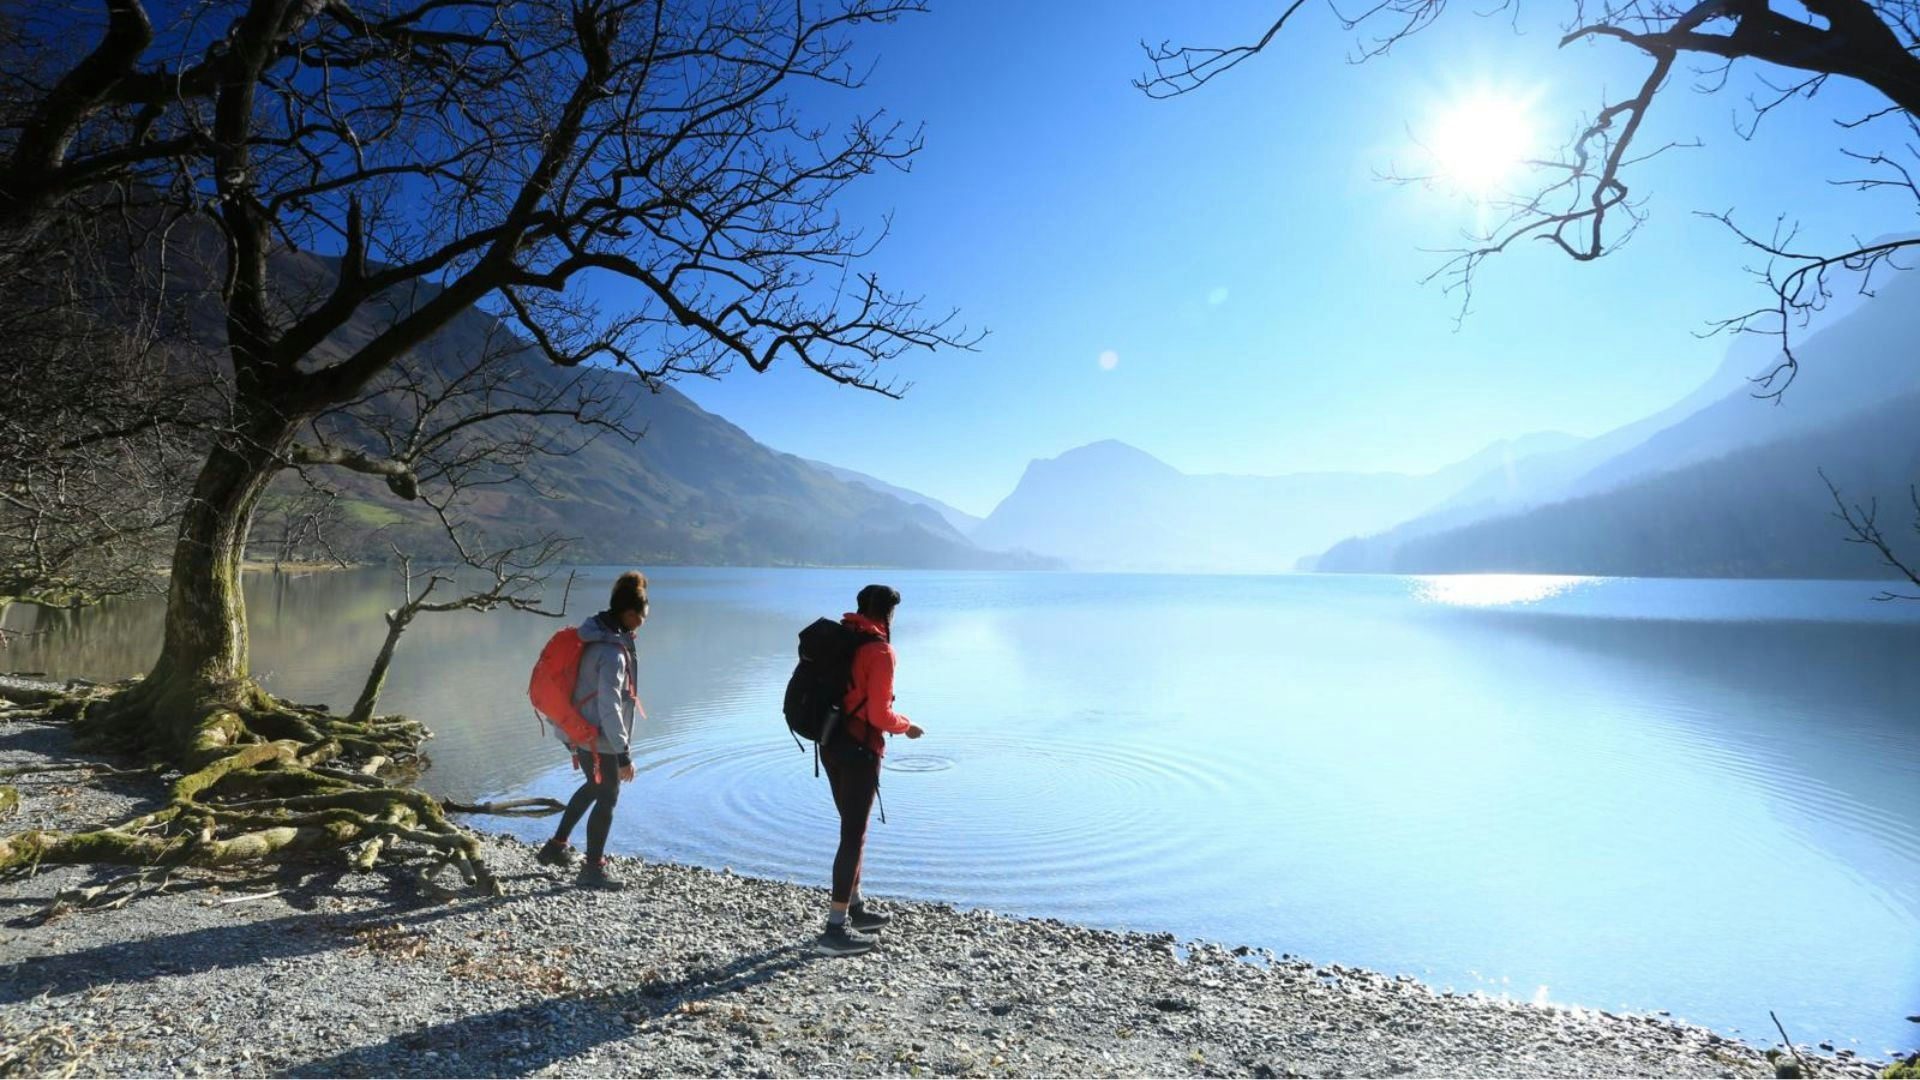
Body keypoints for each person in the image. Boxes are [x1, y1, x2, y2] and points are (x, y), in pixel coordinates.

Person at [817, 583, 924, 957]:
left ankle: (856, 908)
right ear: (888, 614)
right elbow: (879, 714)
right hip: (860, 750)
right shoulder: (880, 651)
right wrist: (906, 725)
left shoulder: (842, 637)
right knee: (853, 836)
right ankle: (834, 929)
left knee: (850, 828)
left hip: (829, 744)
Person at [537, 570, 647, 889]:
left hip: (579, 729)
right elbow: (609, 705)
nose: (644, 621)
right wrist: (624, 753)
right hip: (599, 738)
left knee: (593, 786)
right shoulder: (612, 652)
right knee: (608, 795)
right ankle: (592, 869)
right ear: (629, 614)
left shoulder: (596, 634)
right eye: (642, 615)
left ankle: (556, 847)